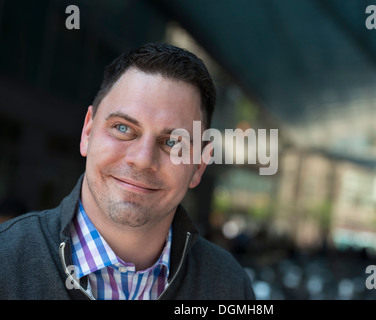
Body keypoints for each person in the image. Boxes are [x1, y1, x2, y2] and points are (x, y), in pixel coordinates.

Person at [0, 42, 255, 300]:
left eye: (173, 142)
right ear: (87, 133)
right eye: (123, 128)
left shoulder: (230, 286)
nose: (143, 160)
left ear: (199, 165)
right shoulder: (5, 262)